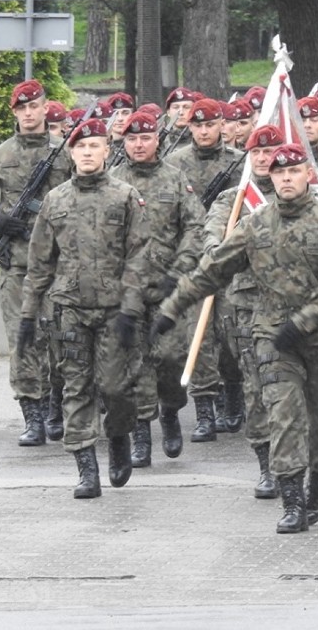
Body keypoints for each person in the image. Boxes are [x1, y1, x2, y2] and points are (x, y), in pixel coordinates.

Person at [150, 143, 318, 534]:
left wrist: (305, 320)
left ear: (308, 175)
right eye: (279, 173)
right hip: (274, 338)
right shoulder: (256, 223)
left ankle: (316, 491)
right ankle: (292, 501)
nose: (285, 178)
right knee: (283, 416)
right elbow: (212, 269)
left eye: (293, 171)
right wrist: (172, 308)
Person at [17, 117, 149, 499]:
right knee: (76, 387)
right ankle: (86, 469)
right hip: (70, 310)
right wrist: (28, 314)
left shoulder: (124, 196)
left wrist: (131, 307)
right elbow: (39, 262)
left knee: (116, 387)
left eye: (95, 147)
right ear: (71, 153)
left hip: (114, 311)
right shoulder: (55, 201)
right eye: (80, 147)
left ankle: (120, 435)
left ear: (108, 151)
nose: (88, 153)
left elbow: (140, 255)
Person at [0, 79, 72, 446]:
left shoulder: (66, 153)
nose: (28, 113)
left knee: (61, 340)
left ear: (44, 106)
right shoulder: (0, 155)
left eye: (34, 106)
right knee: (23, 342)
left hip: (59, 265)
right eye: (21, 108)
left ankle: (56, 407)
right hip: (18, 266)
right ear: (15, 113)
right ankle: (32, 416)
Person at [109, 111, 205, 468]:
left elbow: (195, 227)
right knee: (135, 363)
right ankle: (142, 434)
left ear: (158, 140)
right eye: (132, 139)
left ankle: (171, 409)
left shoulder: (176, 180)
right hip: (127, 290)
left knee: (169, 358)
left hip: (168, 286)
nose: (138, 144)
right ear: (123, 142)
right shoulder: (112, 181)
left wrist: (179, 271)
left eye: (145, 138)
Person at [204, 124, 287, 499]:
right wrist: (216, 252)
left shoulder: (301, 194)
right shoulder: (233, 199)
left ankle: (298, 458)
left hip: (295, 306)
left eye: (270, 152)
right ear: (248, 156)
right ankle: (267, 465)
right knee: (257, 387)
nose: (264, 158)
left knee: (294, 388)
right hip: (247, 307)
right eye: (257, 153)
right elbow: (212, 235)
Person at [166, 98, 245, 441]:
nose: (203, 131)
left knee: (231, 335)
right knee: (198, 335)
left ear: (221, 125)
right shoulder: (175, 164)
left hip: (229, 257)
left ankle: (234, 393)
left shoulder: (241, 164)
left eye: (210, 124)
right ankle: (204, 411)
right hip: (192, 260)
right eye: (197, 125)